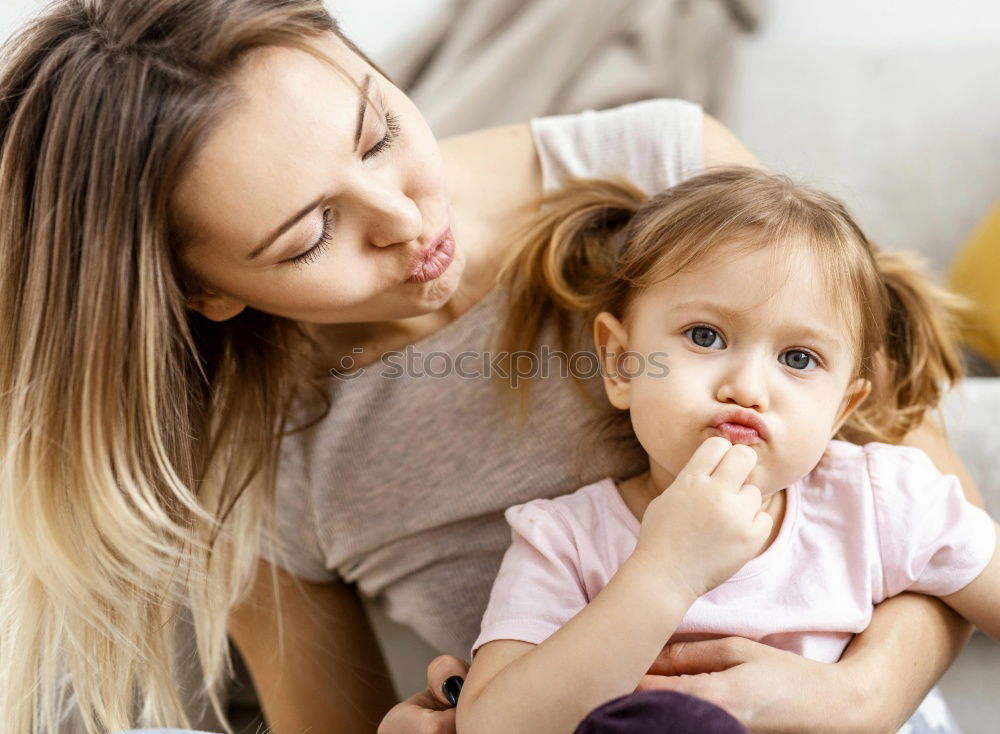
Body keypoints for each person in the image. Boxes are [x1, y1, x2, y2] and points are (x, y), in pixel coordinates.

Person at [0, 1, 985, 732]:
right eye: (309, 236)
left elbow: (924, 501)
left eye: (378, 130)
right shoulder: (252, 451)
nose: (406, 220)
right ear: (205, 290)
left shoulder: (661, 163)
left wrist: (859, 698)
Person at [454, 168, 1000, 733]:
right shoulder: (565, 542)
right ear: (621, 362)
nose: (747, 386)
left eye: (798, 359)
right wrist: (664, 573)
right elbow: (493, 727)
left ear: (840, 410)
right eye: (705, 336)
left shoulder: (877, 497)